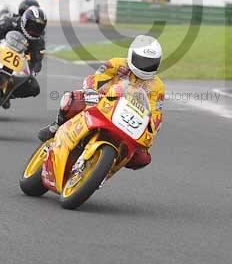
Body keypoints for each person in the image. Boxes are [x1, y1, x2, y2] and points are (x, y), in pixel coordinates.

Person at [36, 35, 165, 170]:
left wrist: (151, 130)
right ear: (131, 55)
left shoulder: (157, 86)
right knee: (73, 99)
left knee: (142, 159)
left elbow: (156, 112)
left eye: (151, 63)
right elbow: (95, 77)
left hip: (128, 118)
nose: (145, 66)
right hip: (102, 102)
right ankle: (57, 126)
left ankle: (107, 164)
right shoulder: (117, 64)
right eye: (142, 60)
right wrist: (91, 91)